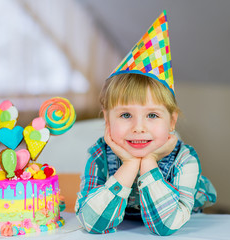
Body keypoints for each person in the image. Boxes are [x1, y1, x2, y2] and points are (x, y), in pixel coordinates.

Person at [75, 11, 216, 236]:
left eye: (152, 115)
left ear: (171, 121)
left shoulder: (184, 160)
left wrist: (148, 162)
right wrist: (129, 165)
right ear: (106, 119)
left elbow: (166, 227)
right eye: (125, 115)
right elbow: (92, 223)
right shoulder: (99, 155)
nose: (138, 128)